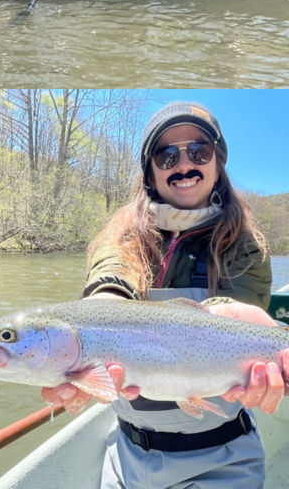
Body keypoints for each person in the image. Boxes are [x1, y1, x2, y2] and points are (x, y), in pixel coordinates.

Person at [41, 101, 288, 489]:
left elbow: (240, 313)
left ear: (217, 162)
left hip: (225, 459)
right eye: (167, 155)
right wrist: (97, 316)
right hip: (127, 455)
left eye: (199, 152)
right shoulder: (122, 237)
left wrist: (226, 309)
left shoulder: (245, 244)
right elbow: (110, 283)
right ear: (150, 171)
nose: (184, 165)